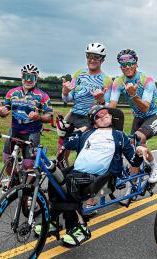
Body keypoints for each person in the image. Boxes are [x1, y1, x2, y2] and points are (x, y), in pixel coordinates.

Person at [54, 105, 157, 247]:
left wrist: (139, 153)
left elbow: (133, 160)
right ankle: (53, 222)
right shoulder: (87, 134)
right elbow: (68, 143)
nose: (103, 115)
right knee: (54, 178)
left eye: (105, 113)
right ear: (93, 122)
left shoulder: (119, 136)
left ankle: (81, 227)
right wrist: (67, 131)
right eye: (98, 115)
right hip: (78, 172)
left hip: (102, 177)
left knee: (71, 181)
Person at [60, 42, 113, 212]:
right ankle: (65, 189)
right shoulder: (79, 74)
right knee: (61, 153)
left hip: (90, 120)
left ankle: (91, 199)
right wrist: (65, 91)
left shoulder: (106, 80)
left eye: (96, 57)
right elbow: (67, 100)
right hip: (74, 115)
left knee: (86, 158)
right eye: (89, 55)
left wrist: (100, 101)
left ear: (102, 60)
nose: (92, 59)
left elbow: (108, 107)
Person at [108, 49, 157, 199]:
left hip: (154, 114)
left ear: (136, 64)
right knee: (132, 150)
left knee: (139, 138)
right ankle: (131, 186)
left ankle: (155, 167)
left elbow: (145, 107)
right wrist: (102, 106)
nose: (127, 67)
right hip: (138, 117)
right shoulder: (118, 82)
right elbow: (112, 105)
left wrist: (133, 94)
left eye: (130, 63)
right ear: (120, 66)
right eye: (123, 64)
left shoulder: (147, 81)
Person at [0, 63, 53, 172]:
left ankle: (27, 187)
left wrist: (39, 118)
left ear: (36, 78)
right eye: (25, 76)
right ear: (21, 77)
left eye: (31, 77)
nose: (28, 80)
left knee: (29, 165)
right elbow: (4, 110)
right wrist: (1, 112)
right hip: (14, 130)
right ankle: (13, 184)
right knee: (6, 160)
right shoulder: (12, 93)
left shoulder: (43, 96)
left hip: (32, 133)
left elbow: (49, 116)